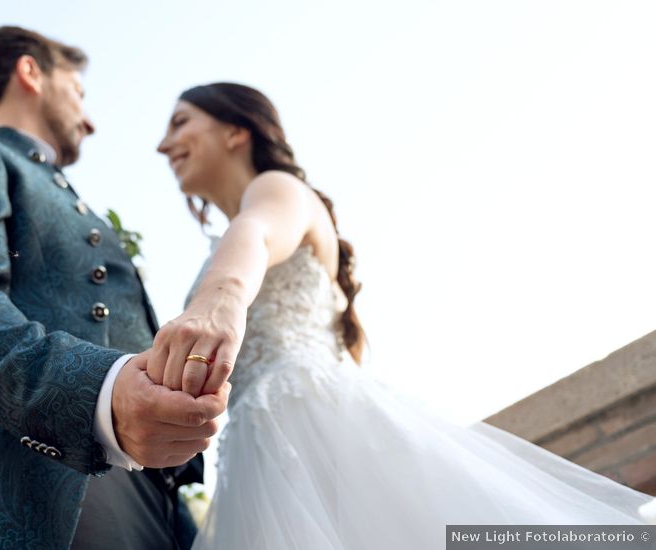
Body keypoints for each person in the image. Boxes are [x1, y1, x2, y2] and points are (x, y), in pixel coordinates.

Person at [151, 82, 653, 549]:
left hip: (312, 425)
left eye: (180, 123)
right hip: (257, 453)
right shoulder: (236, 225)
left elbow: (257, 234)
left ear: (236, 131)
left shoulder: (277, 189)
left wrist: (222, 299)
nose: (162, 145)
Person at [0, 27, 229, 550]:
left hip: (153, 498)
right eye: (80, 91)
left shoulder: (70, 194)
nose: (89, 121)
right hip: (27, 490)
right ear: (31, 72)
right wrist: (104, 395)